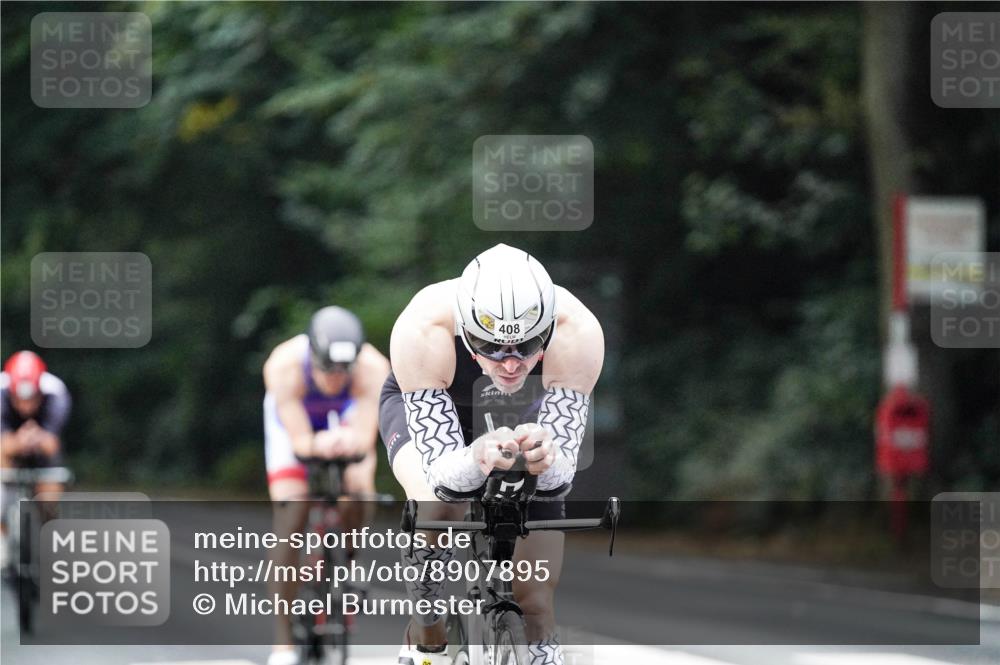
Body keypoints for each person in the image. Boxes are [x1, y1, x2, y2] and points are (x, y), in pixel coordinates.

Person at [379, 244, 603, 665]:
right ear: (465, 331)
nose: (511, 365)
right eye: (491, 347)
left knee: (534, 602)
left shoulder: (578, 332)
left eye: (528, 346)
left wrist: (544, 457)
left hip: (526, 414)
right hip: (436, 408)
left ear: (548, 329)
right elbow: (443, 478)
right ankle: (427, 631)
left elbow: (557, 478)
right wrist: (476, 458)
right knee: (437, 508)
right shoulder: (424, 326)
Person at [262, 306, 390, 665]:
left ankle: (346, 556)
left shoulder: (373, 368)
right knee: (291, 516)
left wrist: (350, 444)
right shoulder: (284, 366)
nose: (335, 378)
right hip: (294, 424)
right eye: (327, 370)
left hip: (343, 418)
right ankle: (284, 641)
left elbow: (363, 439)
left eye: (342, 371)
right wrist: (316, 444)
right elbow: (301, 443)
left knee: (359, 485)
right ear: (313, 357)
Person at [1, 350, 71, 492]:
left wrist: (35, 439)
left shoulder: (55, 393)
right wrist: (18, 442)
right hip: (9, 445)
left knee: (50, 493)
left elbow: (51, 445)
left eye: (31, 399)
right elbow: (3, 442)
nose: (26, 407)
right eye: (20, 400)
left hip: (42, 447)